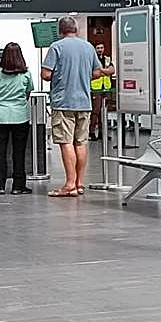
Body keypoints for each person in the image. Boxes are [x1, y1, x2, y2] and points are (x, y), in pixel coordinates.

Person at [42, 16, 105, 198]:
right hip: (84, 101)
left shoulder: (56, 47)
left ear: (60, 30)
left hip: (63, 102)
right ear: (75, 29)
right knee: (81, 142)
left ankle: (69, 184)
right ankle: (79, 183)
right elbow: (96, 72)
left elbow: (46, 74)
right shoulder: (88, 47)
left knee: (66, 141)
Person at [0, 42, 35, 195]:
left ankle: (0, 186)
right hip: (20, 117)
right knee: (19, 152)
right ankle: (18, 186)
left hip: (0, 117)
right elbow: (27, 95)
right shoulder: (26, 75)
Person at [89, 41, 114, 141]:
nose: (100, 50)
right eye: (98, 48)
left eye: (101, 48)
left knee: (104, 112)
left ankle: (102, 133)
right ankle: (91, 133)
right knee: (95, 111)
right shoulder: (91, 60)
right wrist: (105, 71)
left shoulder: (107, 59)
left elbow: (112, 71)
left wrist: (101, 70)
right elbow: (93, 74)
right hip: (96, 89)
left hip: (106, 88)